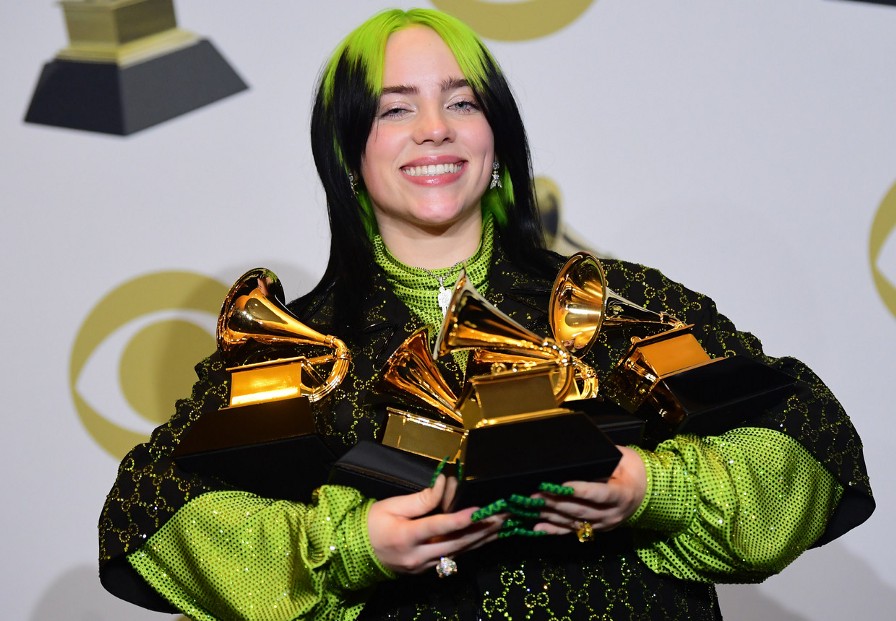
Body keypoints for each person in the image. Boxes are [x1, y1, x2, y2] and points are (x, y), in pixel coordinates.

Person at [98, 8, 874, 620]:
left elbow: (806, 435)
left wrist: (651, 487)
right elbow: (152, 515)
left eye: (460, 101)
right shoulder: (291, 350)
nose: (434, 128)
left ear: (497, 140)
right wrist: (352, 543)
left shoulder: (619, 306)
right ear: (349, 154)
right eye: (395, 109)